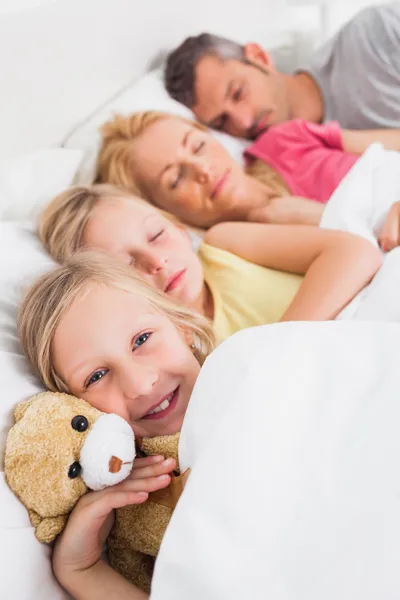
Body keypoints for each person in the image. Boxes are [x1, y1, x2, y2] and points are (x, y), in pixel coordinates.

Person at [39, 183, 381, 342]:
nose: (157, 261)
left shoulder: (224, 245)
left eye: (157, 235)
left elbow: (355, 253)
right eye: (128, 266)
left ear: (179, 228)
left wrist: (279, 348)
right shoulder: (170, 350)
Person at [96, 110, 400, 228]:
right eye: (176, 179)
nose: (202, 170)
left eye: (198, 146)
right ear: (160, 210)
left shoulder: (283, 141)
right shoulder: (236, 253)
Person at [164, 4, 400, 139]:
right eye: (222, 122)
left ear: (260, 57)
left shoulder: (372, 36)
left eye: (238, 93)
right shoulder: (286, 167)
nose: (244, 122)